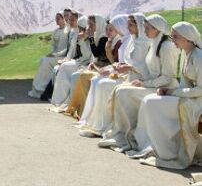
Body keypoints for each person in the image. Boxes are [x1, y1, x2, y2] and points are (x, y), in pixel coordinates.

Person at [123, 22, 202, 169]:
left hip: (197, 101)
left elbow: (200, 90)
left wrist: (172, 92)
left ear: (187, 38)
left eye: (176, 37)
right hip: (186, 96)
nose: (172, 40)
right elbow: (185, 84)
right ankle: (158, 146)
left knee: (152, 103)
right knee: (149, 100)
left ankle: (168, 150)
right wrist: (170, 93)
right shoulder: (186, 53)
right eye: (172, 36)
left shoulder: (199, 56)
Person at [98, 14, 178, 151]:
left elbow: (167, 77)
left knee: (123, 92)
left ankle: (127, 134)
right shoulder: (154, 43)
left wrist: (144, 83)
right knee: (120, 90)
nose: (144, 31)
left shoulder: (166, 47)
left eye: (147, 28)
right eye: (144, 27)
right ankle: (122, 133)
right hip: (152, 84)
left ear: (157, 29)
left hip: (163, 88)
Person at [78, 13, 149, 137]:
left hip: (133, 78)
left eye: (130, 25)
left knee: (103, 84)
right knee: (97, 80)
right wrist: (113, 68)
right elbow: (121, 63)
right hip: (125, 74)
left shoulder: (137, 42)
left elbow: (134, 66)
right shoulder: (128, 40)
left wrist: (114, 69)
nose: (127, 28)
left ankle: (104, 124)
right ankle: (96, 122)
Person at [28, 10, 70, 99]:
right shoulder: (55, 31)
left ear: (63, 19)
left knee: (46, 62)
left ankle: (42, 89)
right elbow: (53, 45)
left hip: (63, 56)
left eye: (58, 18)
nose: (56, 20)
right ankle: (37, 89)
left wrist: (56, 54)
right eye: (56, 19)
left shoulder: (68, 30)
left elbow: (68, 48)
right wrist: (51, 53)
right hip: (55, 55)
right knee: (43, 59)